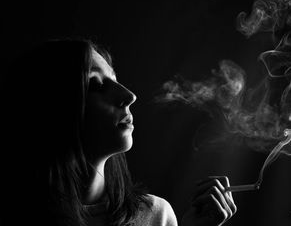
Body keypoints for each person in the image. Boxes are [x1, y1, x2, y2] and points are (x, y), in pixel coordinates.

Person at [0, 39, 236, 226]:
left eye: (115, 79)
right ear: (51, 107)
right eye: (96, 85)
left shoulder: (156, 217)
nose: (129, 96)